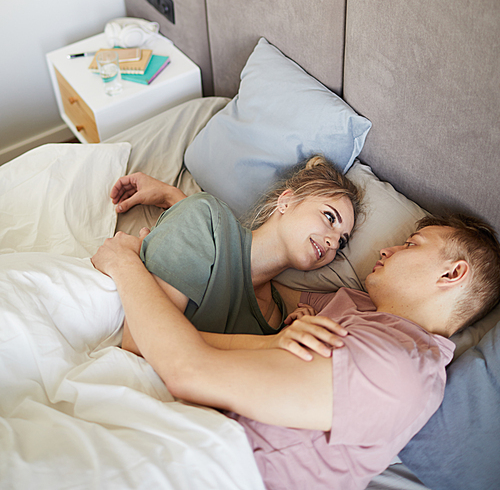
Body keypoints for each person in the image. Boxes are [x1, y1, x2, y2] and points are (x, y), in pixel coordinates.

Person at [91, 213, 500, 490]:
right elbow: (248, 271)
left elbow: (189, 370)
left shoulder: (398, 369)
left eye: (411, 244)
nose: (385, 250)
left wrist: (125, 265)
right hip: (180, 431)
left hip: (214, 470)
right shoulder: (356, 308)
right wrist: (187, 218)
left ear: (452, 273)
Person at [109, 156, 363, 353]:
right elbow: (138, 345)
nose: (332, 243)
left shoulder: (276, 318)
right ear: (285, 201)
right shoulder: (205, 216)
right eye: (329, 217)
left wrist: (281, 339)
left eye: (341, 242)